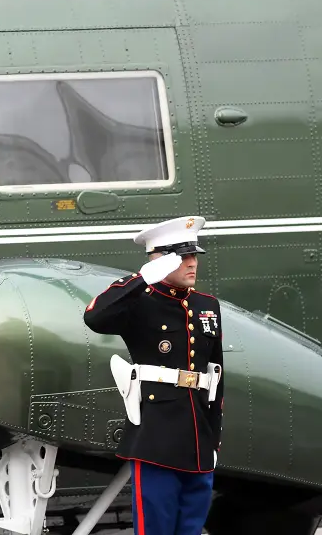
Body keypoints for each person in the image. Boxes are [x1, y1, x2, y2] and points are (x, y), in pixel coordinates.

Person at [83, 216, 225, 535]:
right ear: (160, 260)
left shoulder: (207, 306)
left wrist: (213, 436)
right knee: (157, 527)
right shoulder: (140, 303)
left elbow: (215, 376)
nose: (192, 263)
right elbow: (95, 316)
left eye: (194, 256)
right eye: (182, 256)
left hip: (198, 438)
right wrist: (141, 279)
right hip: (155, 436)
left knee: (191, 525)